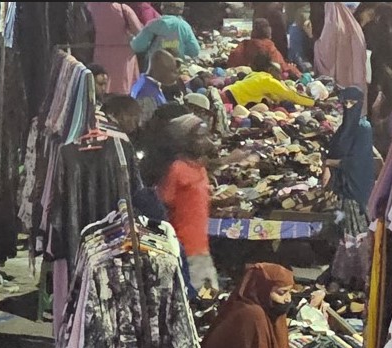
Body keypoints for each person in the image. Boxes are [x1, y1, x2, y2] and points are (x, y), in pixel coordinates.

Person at [159, 115, 218, 291]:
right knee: (204, 299)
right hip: (186, 249)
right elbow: (164, 202)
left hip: (200, 247)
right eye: (199, 137)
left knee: (208, 296)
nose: (206, 141)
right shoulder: (177, 169)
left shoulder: (199, 168)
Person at [325, 87, 374, 210]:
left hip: (355, 190)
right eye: (345, 102)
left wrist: (329, 162)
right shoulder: (344, 128)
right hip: (341, 187)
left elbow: (356, 162)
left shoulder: (364, 128)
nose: (348, 107)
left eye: (352, 103)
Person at [88, 3, 143, 96]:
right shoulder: (123, 9)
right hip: (122, 63)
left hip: (99, 56)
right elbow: (140, 33)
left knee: (101, 93)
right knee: (121, 97)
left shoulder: (90, 6)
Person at [313, 1, 367, 93]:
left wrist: (316, 46)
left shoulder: (329, 22)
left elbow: (326, 54)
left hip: (335, 87)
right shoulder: (351, 23)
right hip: (354, 85)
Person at [222, 54, 315, 108]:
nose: (280, 76)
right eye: (278, 73)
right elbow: (292, 96)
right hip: (230, 101)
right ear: (270, 70)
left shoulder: (256, 75)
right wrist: (314, 102)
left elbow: (274, 96)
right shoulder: (268, 80)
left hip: (226, 93)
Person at [227, 18, 301, 78]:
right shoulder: (269, 46)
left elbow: (232, 62)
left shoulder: (244, 45)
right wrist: (293, 70)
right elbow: (281, 68)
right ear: (268, 32)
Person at [130, 2, 200, 61]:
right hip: (176, 67)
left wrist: (132, 38)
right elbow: (195, 51)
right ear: (181, 10)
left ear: (162, 7)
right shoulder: (185, 26)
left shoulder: (154, 24)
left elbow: (137, 46)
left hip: (154, 67)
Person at [131, 49, 180, 123]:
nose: (176, 76)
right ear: (159, 70)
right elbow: (146, 126)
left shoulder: (143, 81)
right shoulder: (147, 94)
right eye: (172, 71)